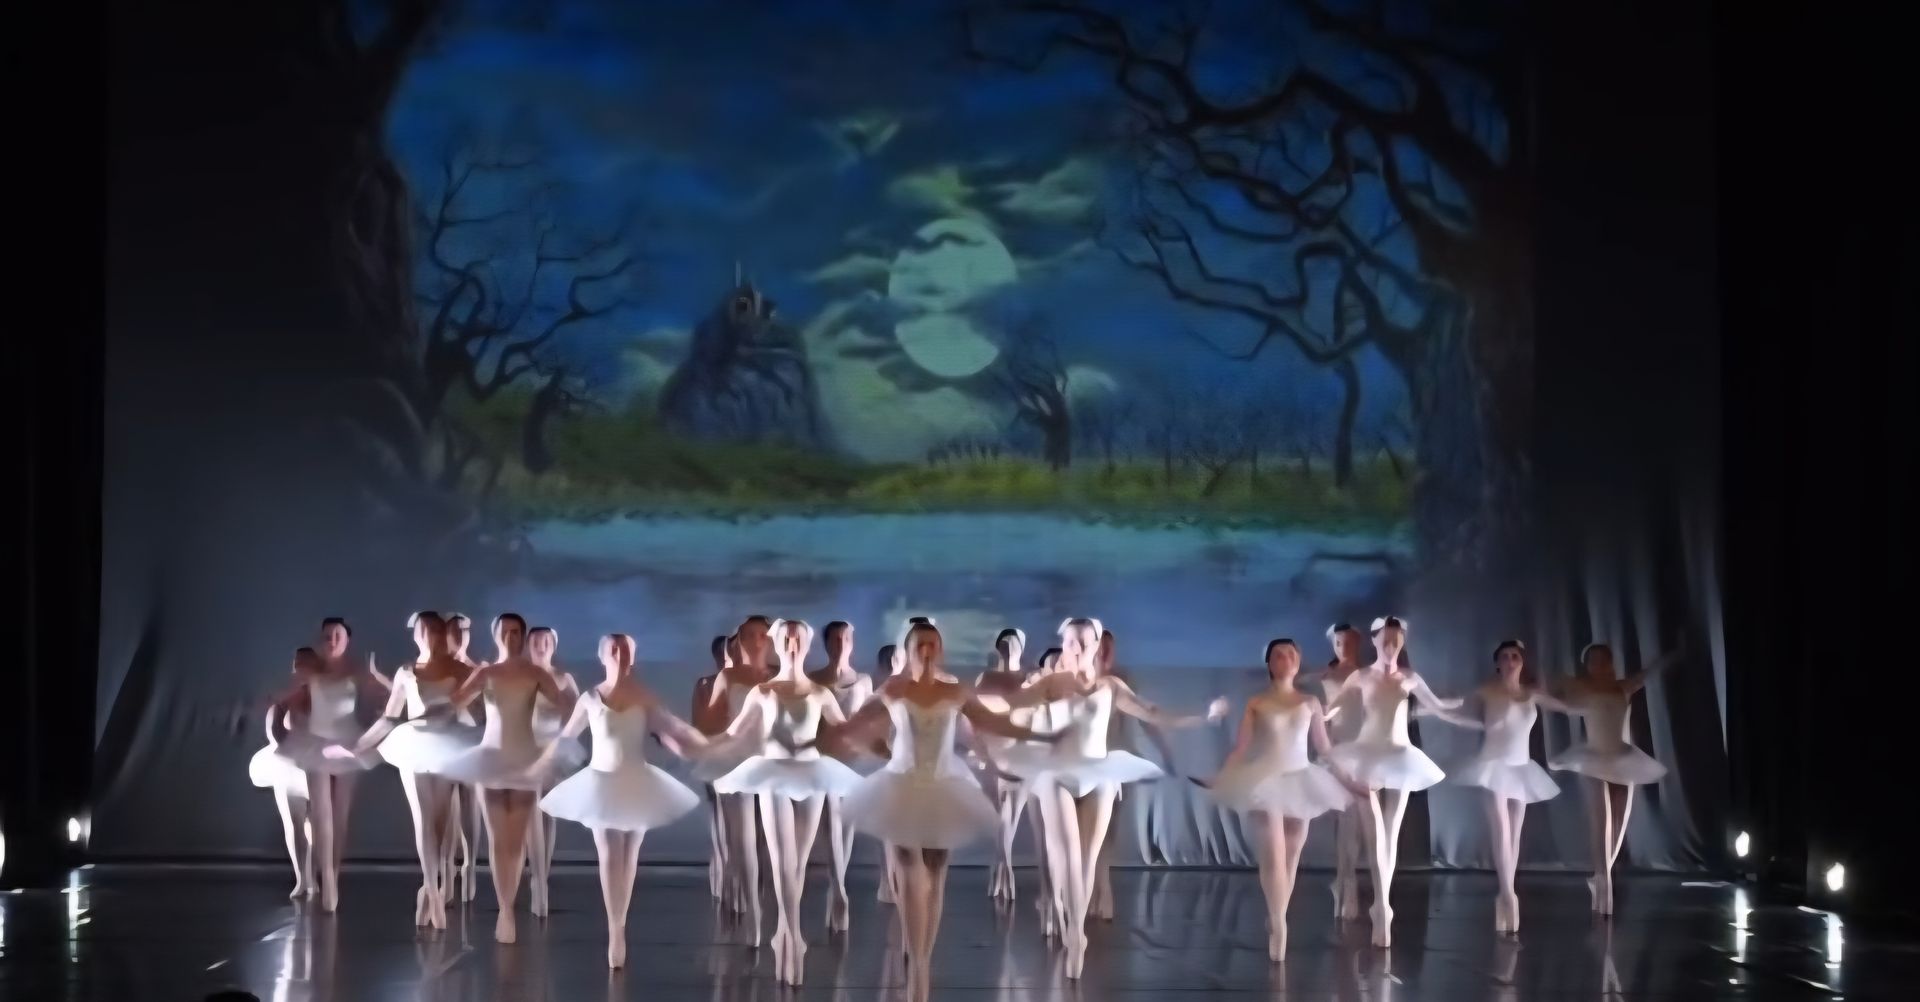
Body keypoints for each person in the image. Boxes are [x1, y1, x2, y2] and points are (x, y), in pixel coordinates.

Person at [812, 621, 1062, 1002]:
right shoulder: (894, 688)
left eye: (932, 644)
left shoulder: (954, 690)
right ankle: (917, 976)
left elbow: (991, 722)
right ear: (909, 650)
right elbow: (856, 728)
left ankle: (923, 959)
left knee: (935, 874)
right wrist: (864, 748)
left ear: (940, 649)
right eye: (919, 645)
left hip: (944, 787)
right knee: (911, 871)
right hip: (900, 786)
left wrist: (1040, 736)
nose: (927, 650)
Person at [1011, 617, 1229, 977]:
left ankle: (1077, 934)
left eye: (1083, 642)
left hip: (1097, 774)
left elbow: (1153, 713)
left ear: (1096, 646)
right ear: (1062, 645)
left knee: (1086, 860)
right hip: (1056, 775)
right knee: (1065, 860)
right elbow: (1011, 708)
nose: (1076, 649)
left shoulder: (1110, 687)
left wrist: (1203, 717)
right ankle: (1070, 926)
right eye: (1069, 642)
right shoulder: (1049, 684)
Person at [534, 633, 742, 968]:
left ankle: (620, 925)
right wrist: (544, 765)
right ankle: (614, 928)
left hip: (638, 780)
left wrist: (714, 744)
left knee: (629, 855)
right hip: (600, 781)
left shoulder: (644, 698)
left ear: (634, 657)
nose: (620, 655)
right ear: (602, 655)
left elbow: (676, 729)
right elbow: (565, 738)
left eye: (626, 650)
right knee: (607, 854)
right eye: (614, 649)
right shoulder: (590, 697)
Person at [710, 620, 865, 985]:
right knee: (781, 861)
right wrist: (698, 745)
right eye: (786, 638)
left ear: (807, 644)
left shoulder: (820, 693)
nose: (792, 643)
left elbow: (845, 731)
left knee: (798, 862)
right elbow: (733, 733)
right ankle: (789, 931)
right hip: (773, 775)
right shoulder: (763, 692)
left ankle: (787, 932)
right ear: (778, 644)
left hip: (811, 774)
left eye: (798, 638)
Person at [1194, 639, 1363, 960]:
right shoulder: (1257, 702)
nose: (1285, 659)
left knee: (1291, 854)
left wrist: (1349, 782)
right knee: (1273, 851)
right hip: (1265, 780)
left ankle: (1277, 917)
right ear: (1269, 663)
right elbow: (1242, 748)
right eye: (1278, 655)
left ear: (1298, 662)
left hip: (1301, 779)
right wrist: (1221, 777)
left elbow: (1324, 749)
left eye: (1290, 654)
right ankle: (1279, 924)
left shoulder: (1311, 702)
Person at [328, 611, 478, 929]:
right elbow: (389, 717)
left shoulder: (462, 669)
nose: (428, 635)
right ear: (415, 635)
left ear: (441, 633)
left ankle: (429, 888)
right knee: (423, 820)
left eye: (433, 630)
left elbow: (478, 707)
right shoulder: (407, 672)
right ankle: (434, 893)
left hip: (449, 746)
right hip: (413, 744)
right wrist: (358, 745)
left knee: (439, 826)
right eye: (422, 631)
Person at [1323, 616, 1462, 947]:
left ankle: (1382, 905)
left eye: (1396, 640)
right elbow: (1331, 710)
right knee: (1373, 834)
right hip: (1367, 754)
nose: (1390, 645)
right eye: (1385, 640)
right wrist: (1310, 716)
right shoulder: (1360, 676)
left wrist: (1465, 713)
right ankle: (1381, 908)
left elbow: (1439, 707)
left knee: (1390, 833)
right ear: (1373, 641)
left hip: (1401, 756)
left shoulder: (1410, 677)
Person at [1414, 639, 1570, 932]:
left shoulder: (1532, 693)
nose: (1511, 661)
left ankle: (1506, 894)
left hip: (1521, 768)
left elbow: (1567, 707)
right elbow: (1456, 704)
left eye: (1516, 656)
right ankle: (1508, 894)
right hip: (1492, 765)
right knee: (1501, 830)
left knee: (1515, 834)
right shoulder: (1487, 690)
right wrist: (1432, 710)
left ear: (1522, 662)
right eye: (1506, 657)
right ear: (1497, 663)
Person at [435, 619, 569, 944]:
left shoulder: (536, 674)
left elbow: (565, 706)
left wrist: (557, 735)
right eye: (505, 633)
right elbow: (457, 700)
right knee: (497, 839)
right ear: (496, 635)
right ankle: (505, 910)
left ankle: (509, 905)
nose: (511, 638)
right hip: (491, 758)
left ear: (522, 637)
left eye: (516, 633)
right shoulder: (485, 673)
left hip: (525, 759)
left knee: (516, 839)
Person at [1548, 639, 1681, 917]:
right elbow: (1552, 686)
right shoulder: (1581, 687)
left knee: (1619, 821)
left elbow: (1649, 672)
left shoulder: (1623, 687)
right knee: (1603, 819)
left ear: (1610, 663)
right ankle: (1604, 882)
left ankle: (1600, 875)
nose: (1598, 665)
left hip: (1622, 757)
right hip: (1594, 756)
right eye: (1593, 661)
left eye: (1603, 660)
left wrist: (1674, 651)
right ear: (1587, 666)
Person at [703, 617, 776, 929]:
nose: (758, 640)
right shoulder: (727, 677)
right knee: (742, 837)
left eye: (763, 635)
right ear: (740, 641)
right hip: (736, 762)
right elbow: (709, 722)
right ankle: (753, 913)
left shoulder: (778, 676)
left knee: (768, 839)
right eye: (752, 635)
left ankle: (760, 895)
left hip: (773, 763)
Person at [806, 620, 873, 932]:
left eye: (846, 638)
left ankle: (837, 886)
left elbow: (868, 721)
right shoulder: (812, 680)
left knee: (846, 825)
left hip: (854, 761)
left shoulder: (863, 681)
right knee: (831, 819)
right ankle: (839, 891)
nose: (841, 644)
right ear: (826, 643)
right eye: (835, 639)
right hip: (823, 759)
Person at [524, 625, 586, 918]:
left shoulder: (563, 678)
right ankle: (536, 880)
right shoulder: (521, 675)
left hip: (553, 748)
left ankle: (543, 875)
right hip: (525, 748)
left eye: (546, 641)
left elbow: (577, 714)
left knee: (549, 815)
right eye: (536, 641)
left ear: (554, 645)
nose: (541, 645)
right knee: (531, 815)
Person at [1310, 622, 1371, 920]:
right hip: (1340, 750)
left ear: (1357, 642)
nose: (1342, 648)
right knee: (1347, 821)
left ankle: (1346, 880)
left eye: (1346, 642)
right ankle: (1346, 883)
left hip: (1365, 750)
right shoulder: (1328, 675)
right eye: (1337, 643)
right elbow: (1327, 714)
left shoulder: (1368, 674)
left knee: (1359, 822)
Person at [970, 628, 1031, 903]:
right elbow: (973, 714)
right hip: (992, 751)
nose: (1009, 649)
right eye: (1004, 645)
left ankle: (1002, 869)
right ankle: (1002, 867)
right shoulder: (987, 678)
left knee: (1011, 815)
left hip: (1020, 752)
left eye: (1013, 644)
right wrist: (979, 748)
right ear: (998, 649)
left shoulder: (1029, 679)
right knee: (1000, 815)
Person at [691, 635, 732, 902]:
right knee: (718, 812)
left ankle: (732, 874)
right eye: (722, 653)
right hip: (714, 755)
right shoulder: (705, 684)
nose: (725, 657)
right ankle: (719, 868)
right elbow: (698, 721)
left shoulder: (747, 683)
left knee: (738, 819)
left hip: (740, 756)